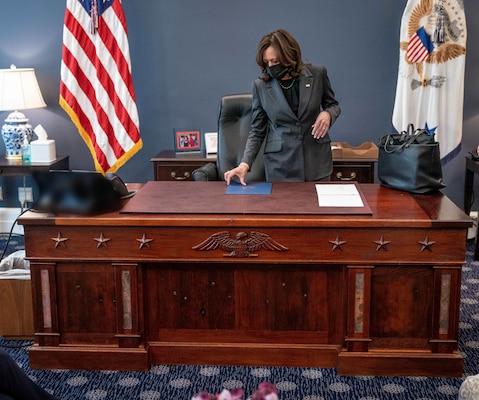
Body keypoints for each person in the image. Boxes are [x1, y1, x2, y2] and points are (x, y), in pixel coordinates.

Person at [224, 29, 341, 185]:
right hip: (280, 166)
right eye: (267, 62)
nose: (271, 66)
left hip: (316, 162)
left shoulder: (317, 74)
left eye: (275, 61)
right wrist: (245, 164)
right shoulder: (261, 86)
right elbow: (257, 130)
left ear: (289, 56)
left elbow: (333, 105)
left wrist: (327, 113)